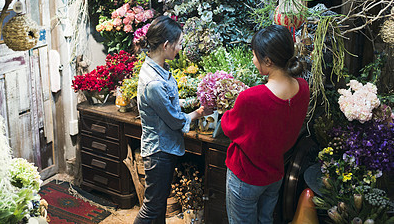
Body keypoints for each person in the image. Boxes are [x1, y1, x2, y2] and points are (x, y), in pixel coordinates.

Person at [220, 24, 310, 224]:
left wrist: (226, 109)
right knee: (266, 220)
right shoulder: (303, 88)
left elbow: (229, 127)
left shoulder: (251, 97)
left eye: (254, 55)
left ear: (267, 61)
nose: (253, 60)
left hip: (246, 176)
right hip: (275, 173)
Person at [133, 15, 212, 224]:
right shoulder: (154, 83)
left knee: (157, 209)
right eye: (178, 44)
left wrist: (197, 97)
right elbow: (176, 120)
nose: (180, 48)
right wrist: (199, 112)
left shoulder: (157, 70)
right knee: (152, 209)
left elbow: (171, 105)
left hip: (163, 149)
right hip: (159, 152)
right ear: (166, 45)